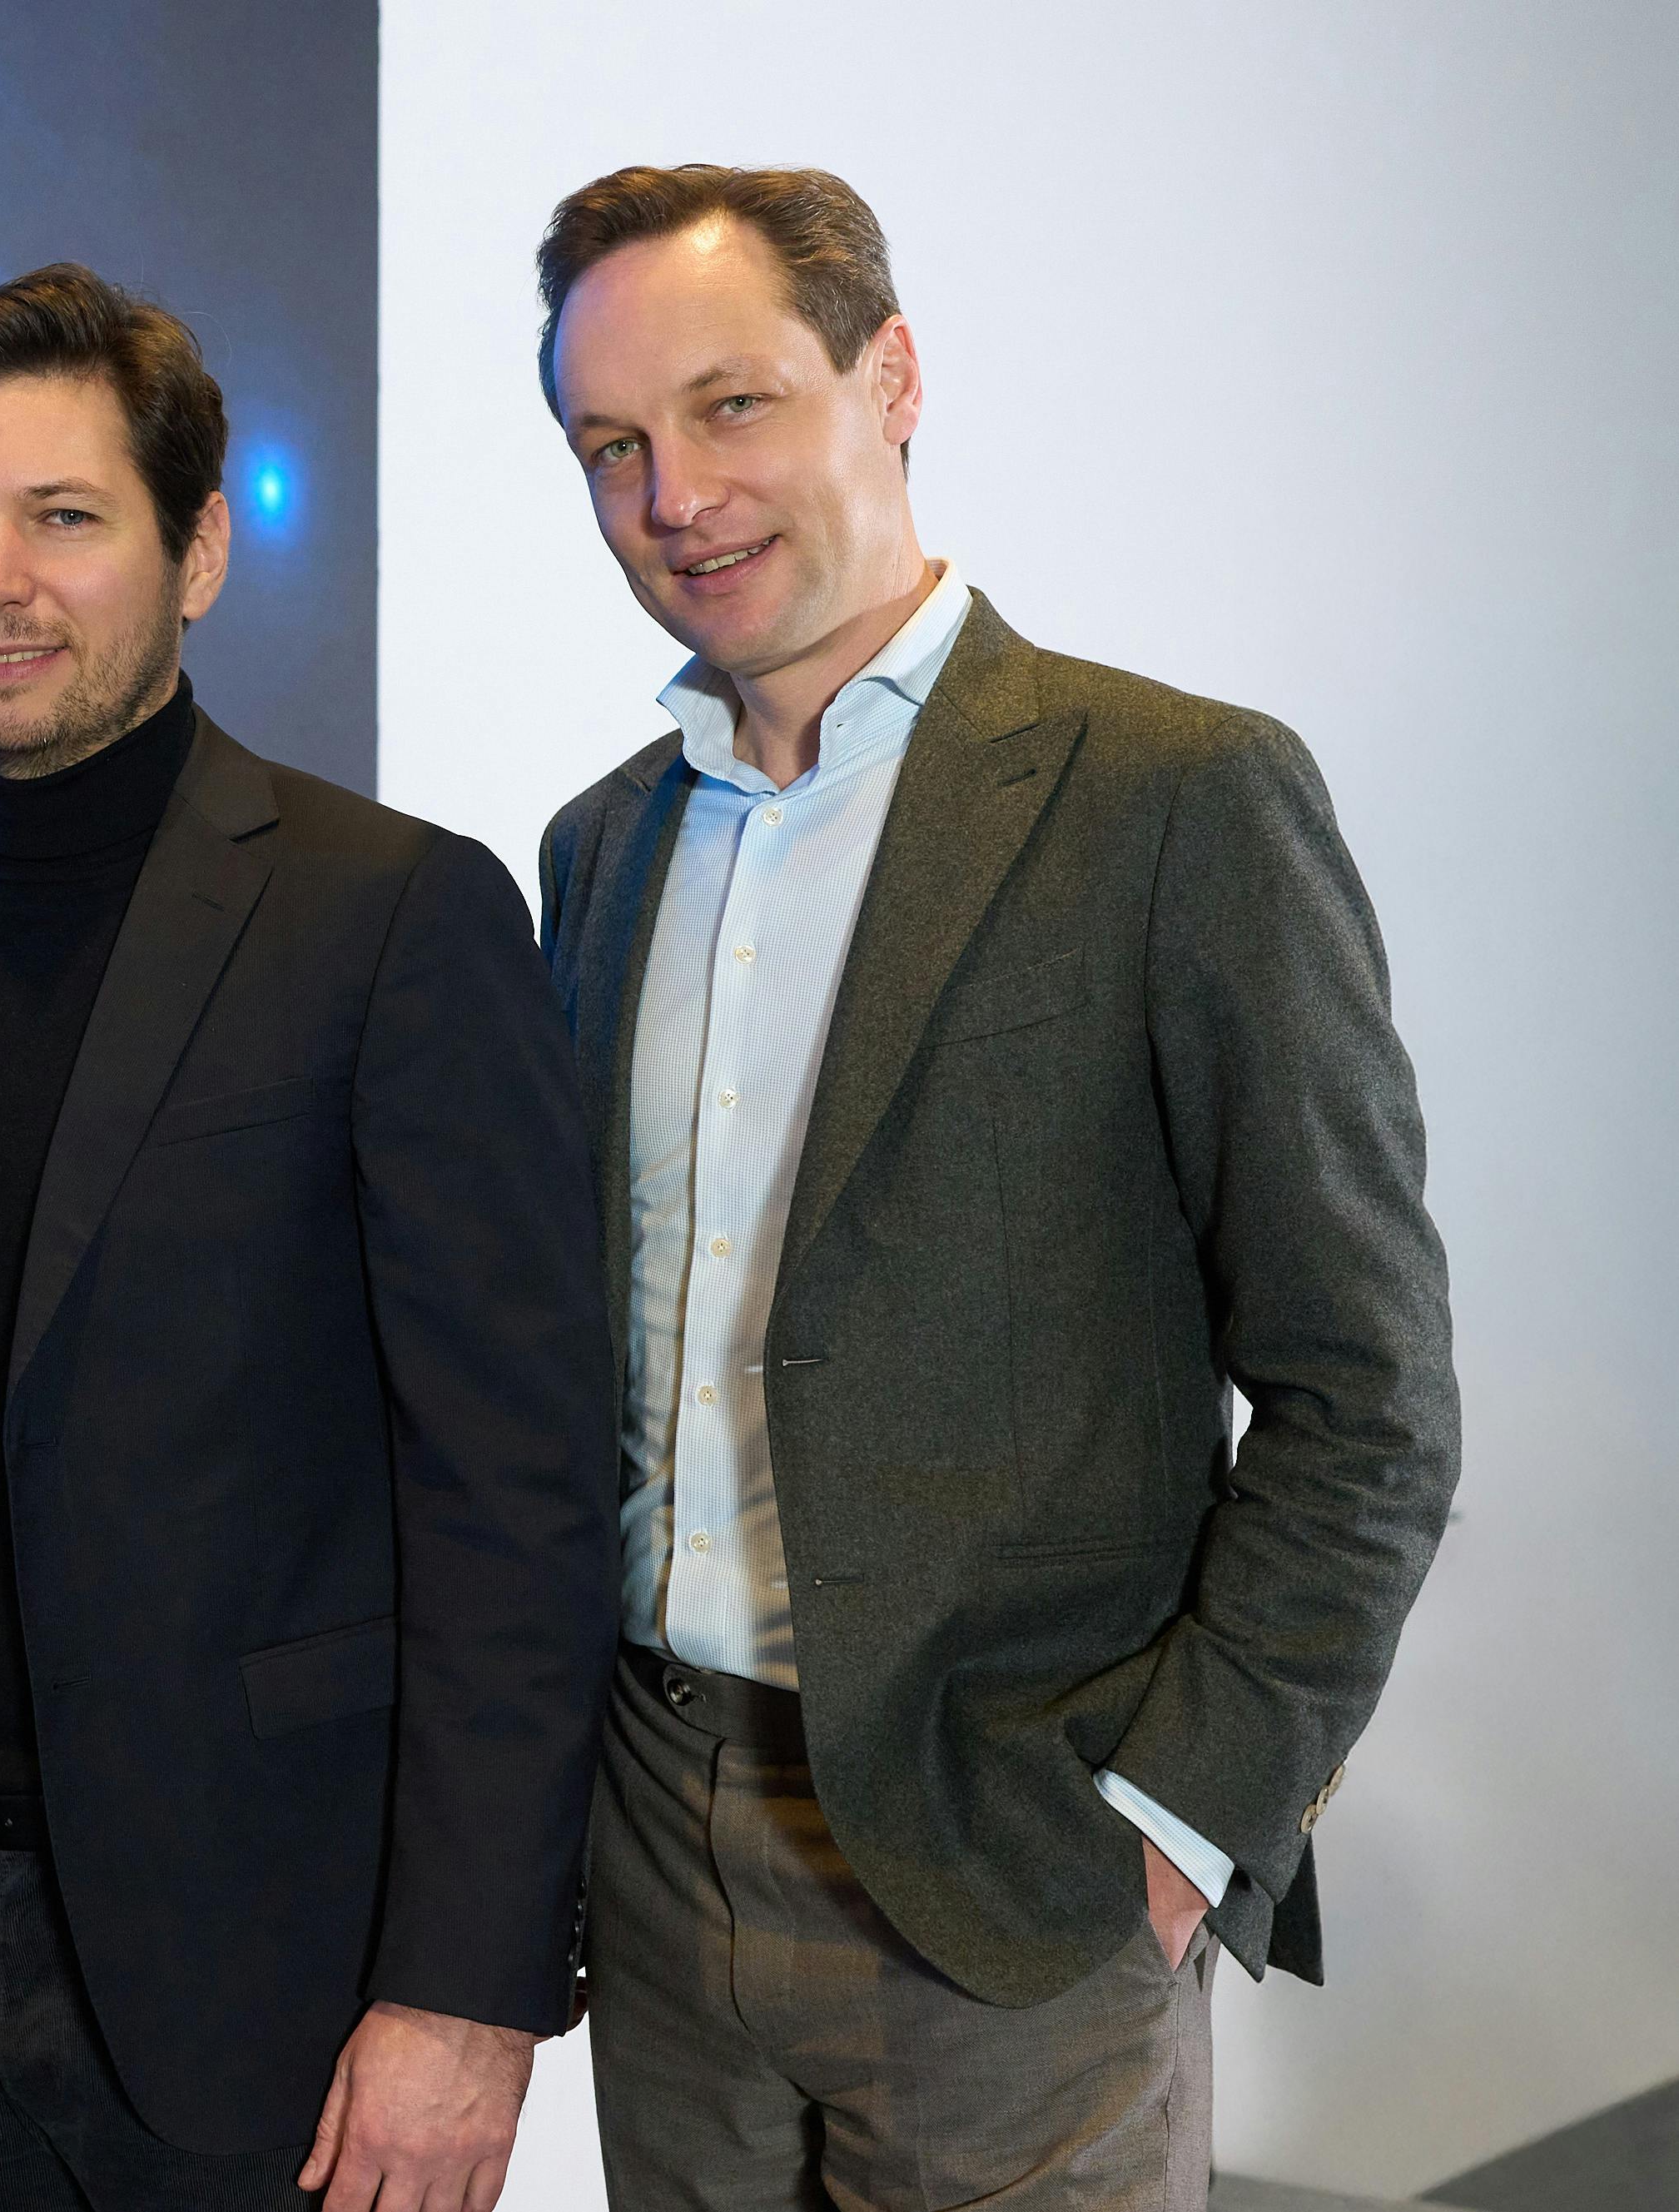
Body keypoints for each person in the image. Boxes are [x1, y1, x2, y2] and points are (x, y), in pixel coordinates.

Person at [528, 164, 1463, 2206]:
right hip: (654, 1850)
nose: (673, 493)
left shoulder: (1174, 795)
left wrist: (1177, 1828)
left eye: (731, 404)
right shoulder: (597, 855)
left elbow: (1365, 1397)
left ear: (891, 376)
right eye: (611, 445)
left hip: (1013, 1876)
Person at [0, 263, 619, 2212]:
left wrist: (464, 1996)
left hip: (267, 1970)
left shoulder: (390, 915)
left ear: (196, 550)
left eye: (65, 518)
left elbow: (519, 1495)